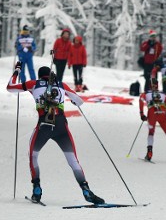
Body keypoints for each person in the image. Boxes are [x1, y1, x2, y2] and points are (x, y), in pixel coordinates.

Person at [6, 63, 104, 204]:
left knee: (33, 155)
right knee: (73, 160)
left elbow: (10, 87)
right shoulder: (62, 85)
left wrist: (17, 71)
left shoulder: (33, 84)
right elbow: (79, 101)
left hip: (44, 126)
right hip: (61, 127)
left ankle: (37, 188)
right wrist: (72, 101)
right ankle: (86, 190)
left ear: (40, 76)